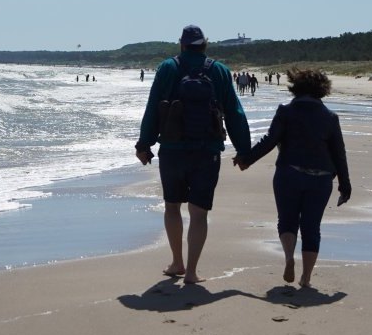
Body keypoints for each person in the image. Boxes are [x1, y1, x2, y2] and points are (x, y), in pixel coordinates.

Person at [135, 25, 251, 284]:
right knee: (199, 214)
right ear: (205, 45)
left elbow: (153, 108)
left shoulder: (168, 68)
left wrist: (144, 145)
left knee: (172, 207)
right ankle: (192, 272)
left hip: (173, 151)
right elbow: (235, 113)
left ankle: (177, 261)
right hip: (207, 151)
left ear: (182, 44)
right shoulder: (219, 70)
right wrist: (244, 151)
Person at [234, 67, 350, 289]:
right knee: (311, 226)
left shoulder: (286, 111)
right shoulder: (330, 117)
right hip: (321, 178)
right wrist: (345, 185)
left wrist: (246, 159)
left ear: (295, 87)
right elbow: (339, 153)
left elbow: (269, 140)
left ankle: (289, 258)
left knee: (287, 221)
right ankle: (306, 277)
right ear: (322, 89)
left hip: (289, 173)